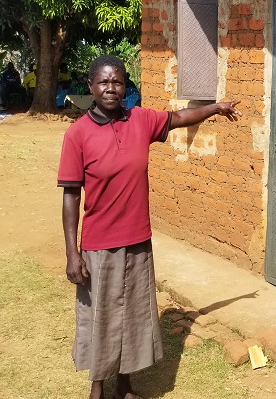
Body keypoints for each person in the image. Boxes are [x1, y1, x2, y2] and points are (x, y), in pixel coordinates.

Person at [57, 55, 241, 399]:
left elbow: (179, 118)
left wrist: (215, 108)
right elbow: (70, 195)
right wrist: (72, 253)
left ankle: (125, 386)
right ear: (91, 87)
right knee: (101, 317)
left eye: (118, 82)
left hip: (138, 239)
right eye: (104, 82)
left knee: (132, 315)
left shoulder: (139, 119)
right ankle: (97, 387)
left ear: (126, 86)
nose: (112, 88)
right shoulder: (77, 135)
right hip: (99, 244)